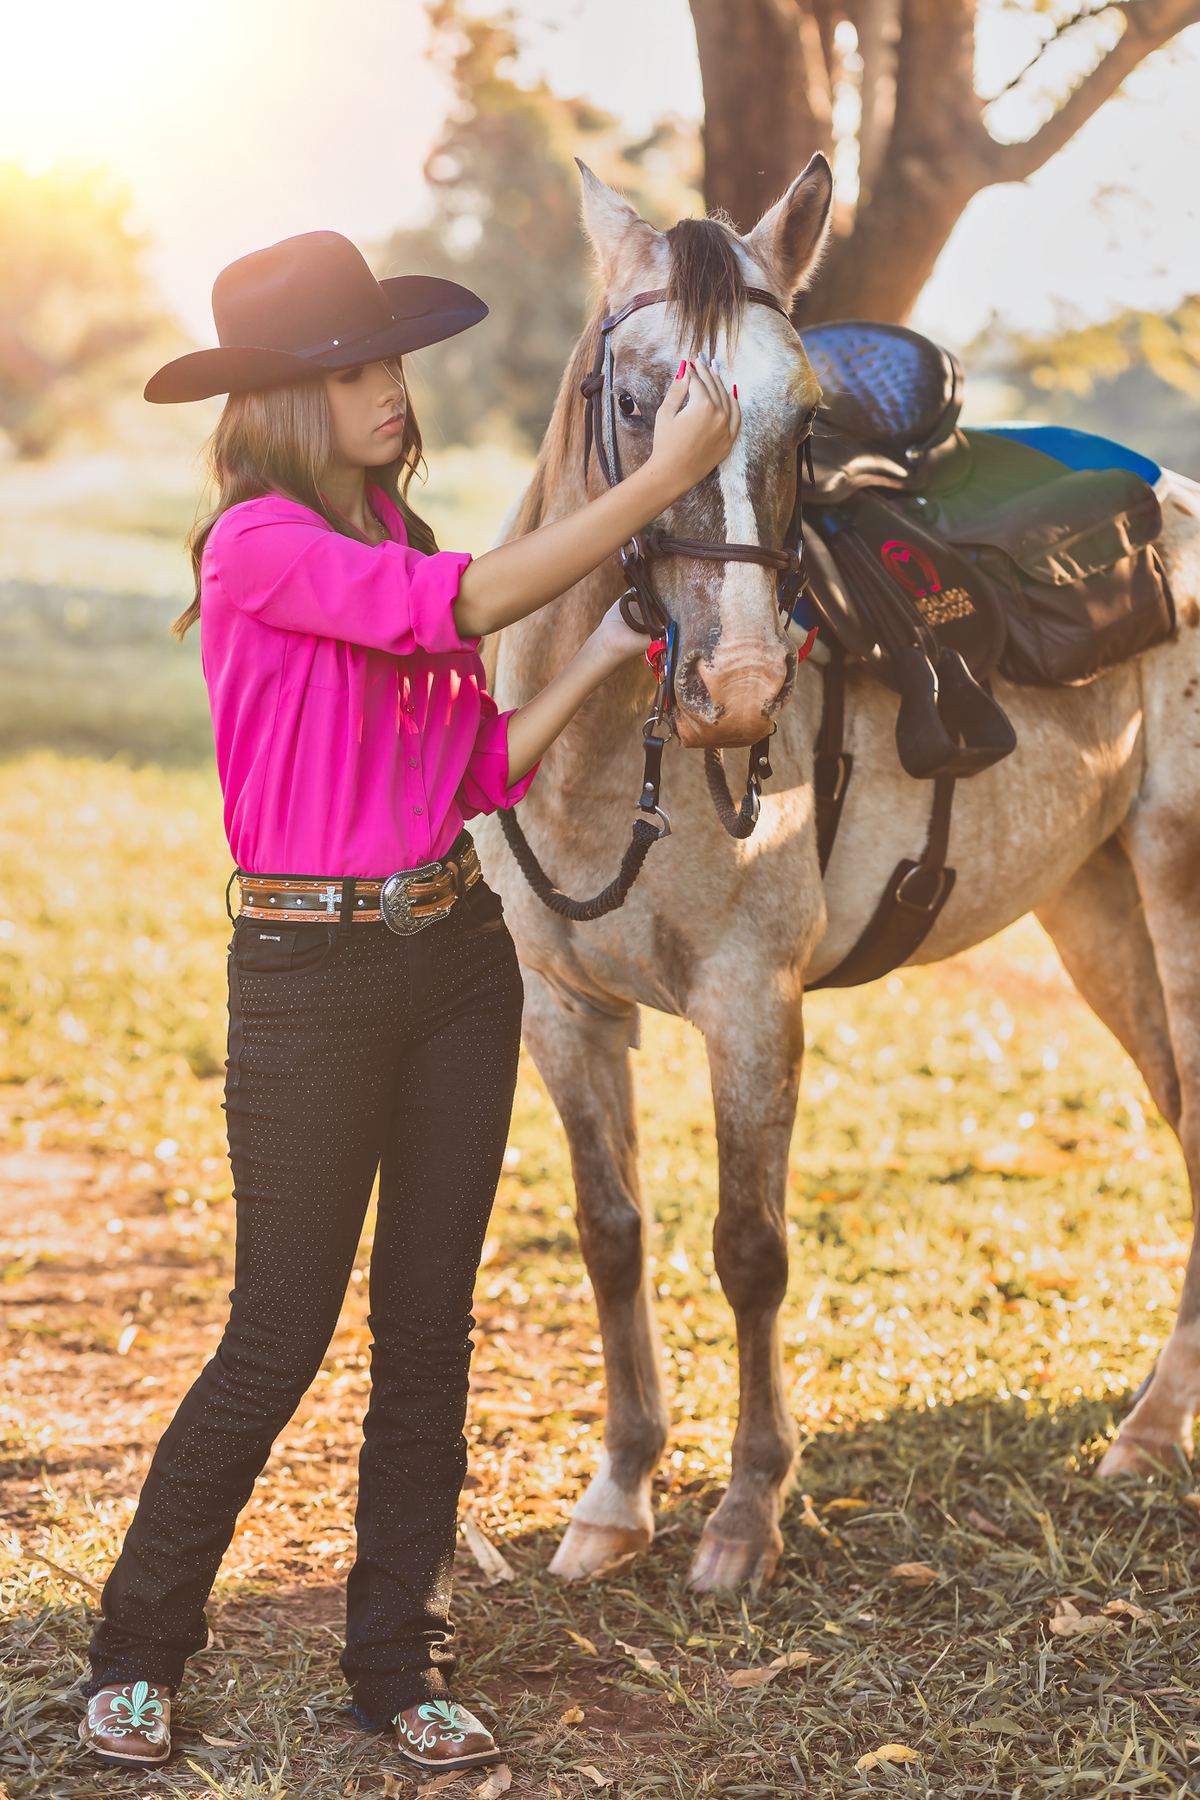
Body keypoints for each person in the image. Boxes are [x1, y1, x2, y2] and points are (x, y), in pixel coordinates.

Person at [78, 231, 739, 1777]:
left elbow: (473, 769)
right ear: (285, 400)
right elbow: (451, 609)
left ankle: (396, 1667)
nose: (391, 388)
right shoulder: (255, 544)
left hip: (452, 956)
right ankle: (136, 1648)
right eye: (356, 368)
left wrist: (607, 667)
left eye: (392, 361)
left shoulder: (389, 525)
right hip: (308, 979)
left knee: (428, 1332)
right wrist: (659, 482)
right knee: (278, 1331)